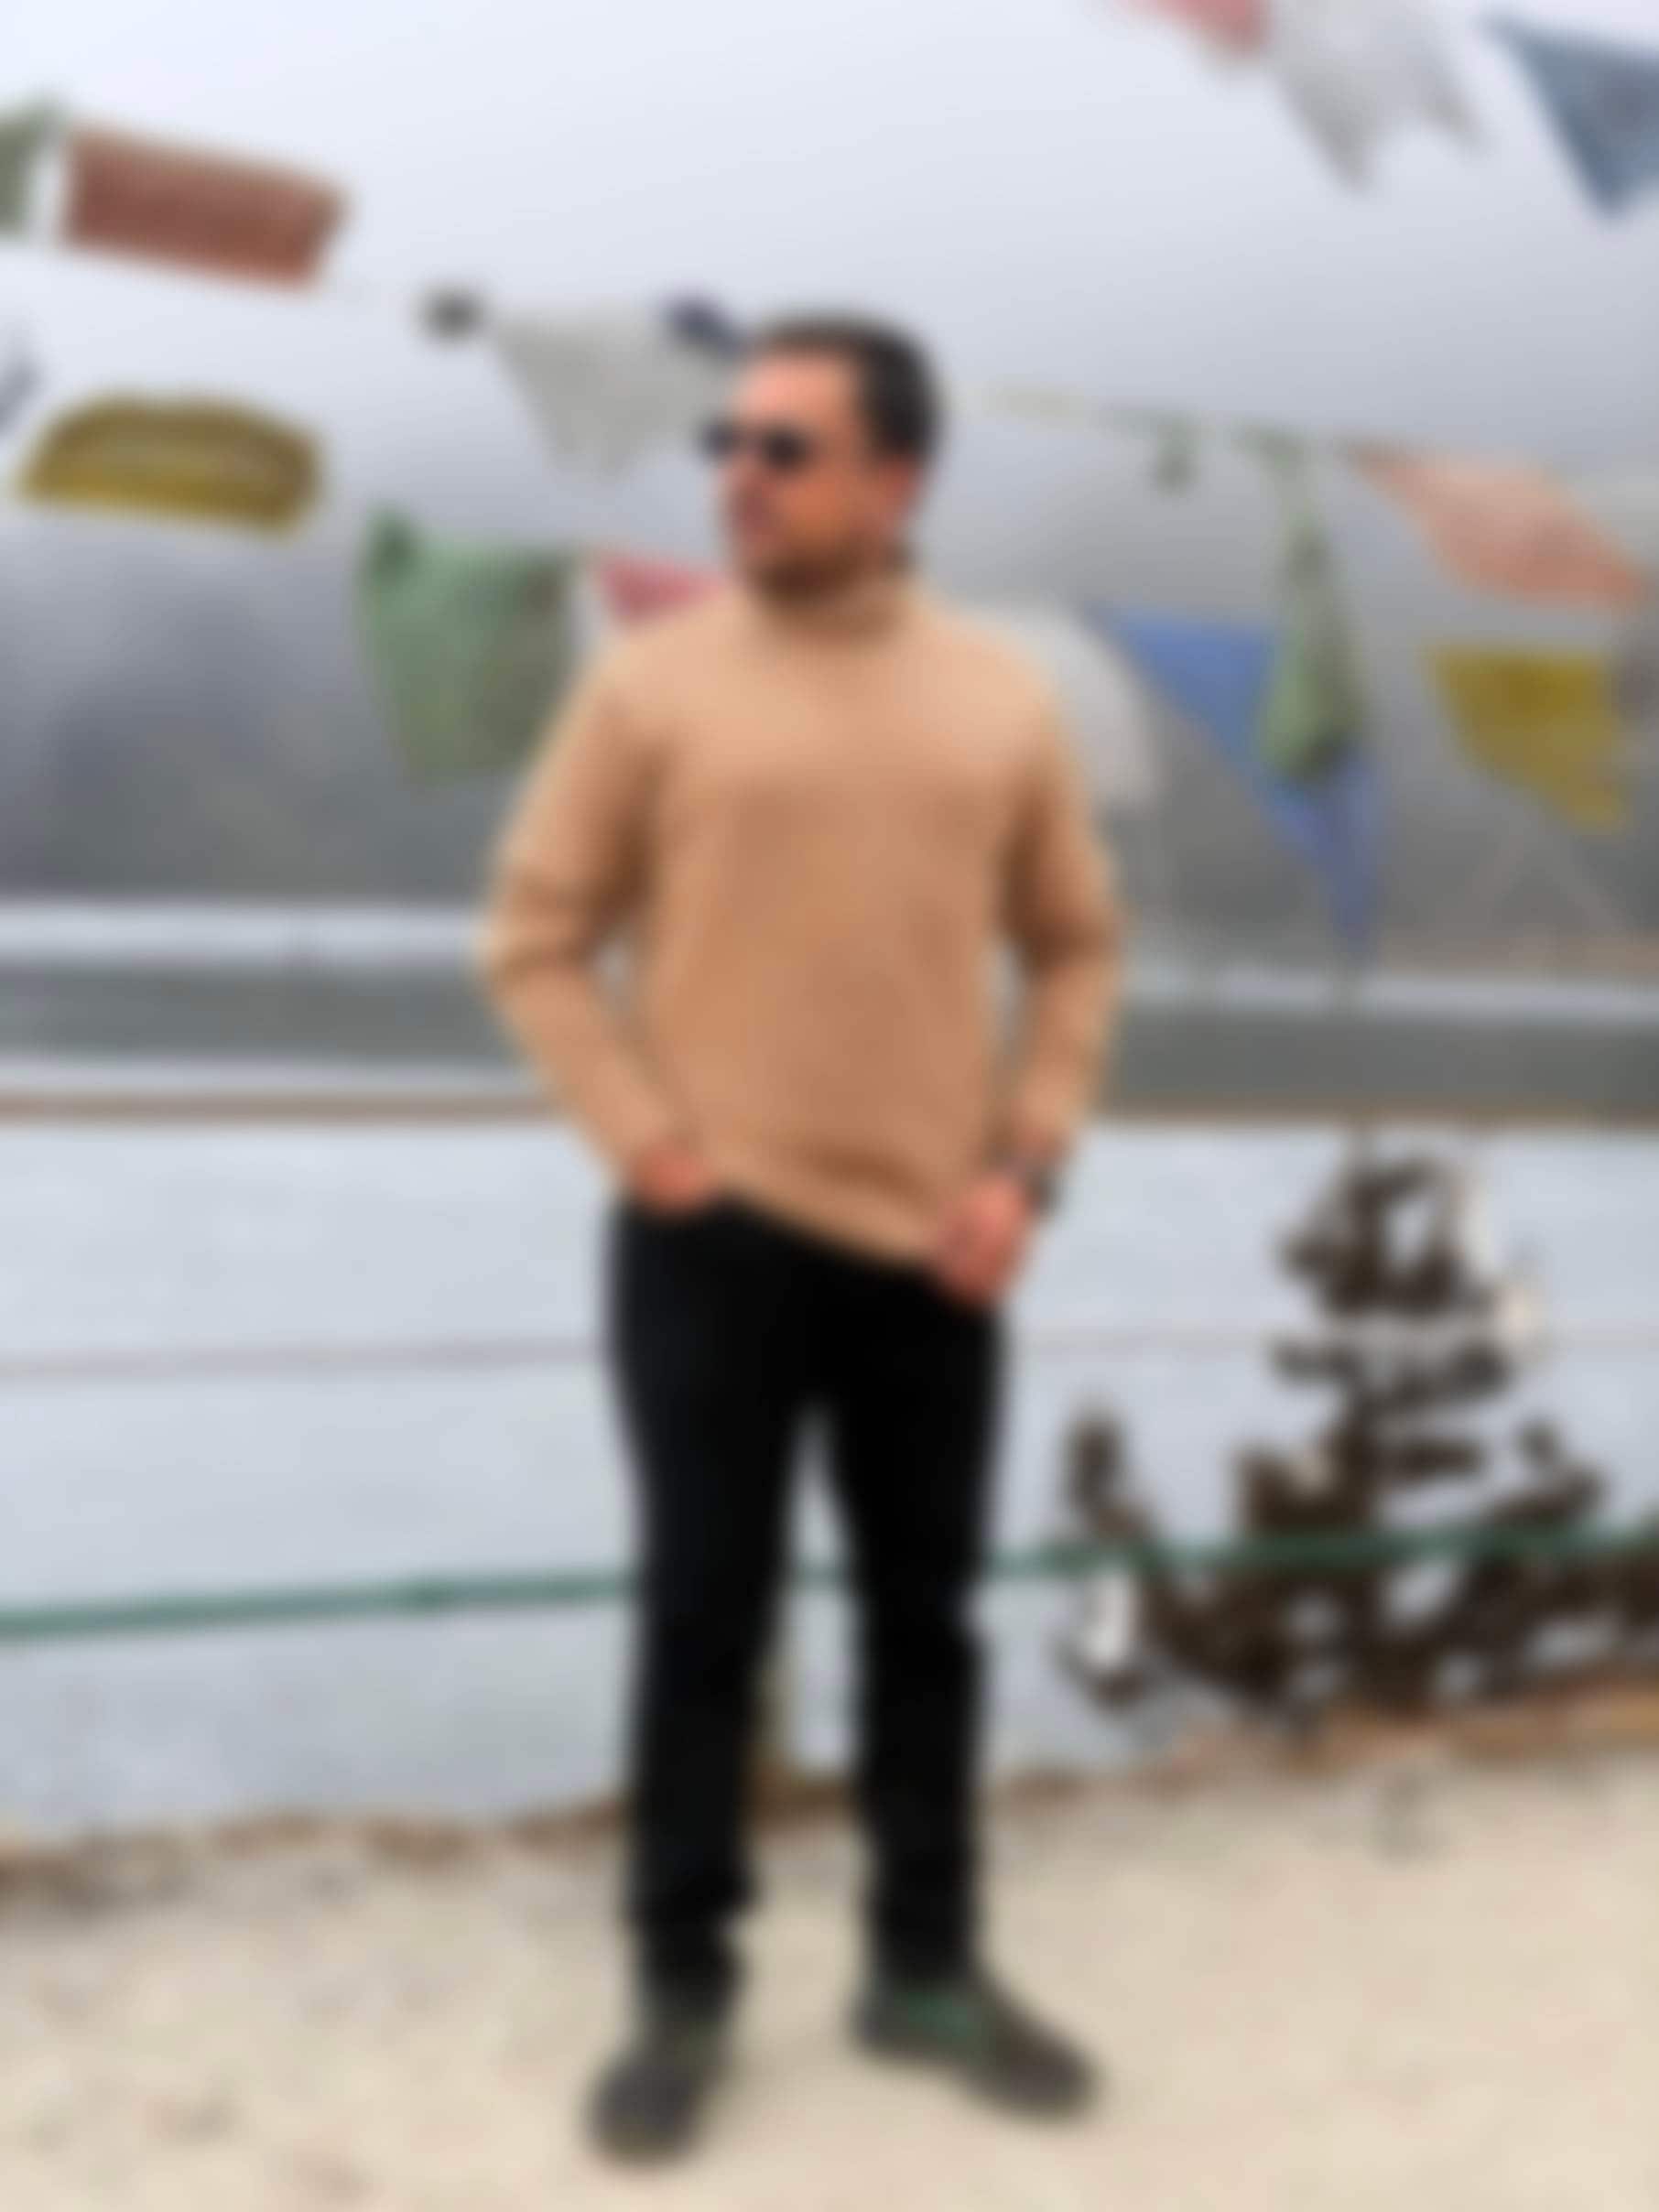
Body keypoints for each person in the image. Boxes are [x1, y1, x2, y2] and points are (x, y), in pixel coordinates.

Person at [480, 314, 1123, 2162]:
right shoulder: (651, 684)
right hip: (709, 1241)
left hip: (940, 1246)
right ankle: (680, 1984)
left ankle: (923, 1967)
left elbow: (1078, 944)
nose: (737, 477)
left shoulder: (1000, 698)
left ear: (894, 479)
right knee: (704, 1618)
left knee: (928, 1624)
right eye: (727, 442)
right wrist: (654, 1153)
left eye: (784, 446)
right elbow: (533, 938)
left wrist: (1026, 1170)